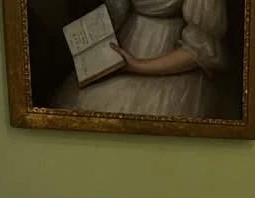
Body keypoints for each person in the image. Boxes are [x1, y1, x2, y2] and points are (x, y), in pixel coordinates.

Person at [55, 0, 229, 119]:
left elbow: (201, 50)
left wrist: (136, 65)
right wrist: (89, 39)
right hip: (127, 41)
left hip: (170, 64)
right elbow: (117, 10)